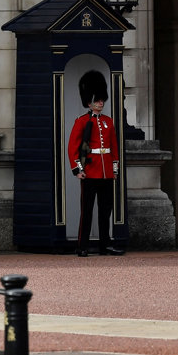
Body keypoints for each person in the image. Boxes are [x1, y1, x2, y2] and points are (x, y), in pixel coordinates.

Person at [68, 70, 124, 257]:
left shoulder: (108, 122)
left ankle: (104, 244)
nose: (101, 102)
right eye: (97, 99)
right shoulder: (82, 121)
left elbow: (114, 148)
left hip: (106, 172)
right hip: (90, 171)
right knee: (87, 211)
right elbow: (73, 148)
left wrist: (114, 169)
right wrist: (78, 169)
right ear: (89, 101)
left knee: (105, 211)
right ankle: (82, 245)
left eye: (102, 99)